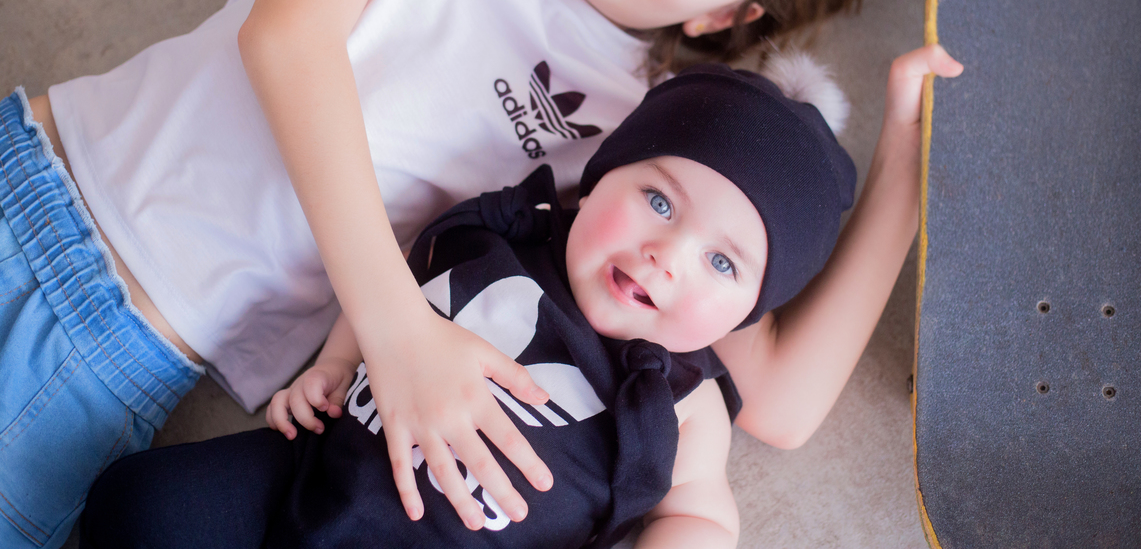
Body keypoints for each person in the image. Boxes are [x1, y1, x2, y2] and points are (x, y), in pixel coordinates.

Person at [0, 0, 919, 546]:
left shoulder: (649, 149)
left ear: (727, 15)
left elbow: (784, 402)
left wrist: (909, 155)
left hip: (113, 350)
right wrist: (398, 332)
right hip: (31, 162)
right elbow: (285, 38)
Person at [79, 62, 862, 549]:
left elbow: (699, 516)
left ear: (742, 316)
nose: (668, 253)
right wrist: (337, 361)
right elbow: (391, 284)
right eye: (658, 200)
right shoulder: (497, 235)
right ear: (599, 177)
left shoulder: (684, 402)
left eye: (722, 262)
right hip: (316, 473)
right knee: (138, 502)